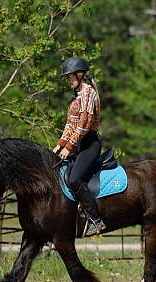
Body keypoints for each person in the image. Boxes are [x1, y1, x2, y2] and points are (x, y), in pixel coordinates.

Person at [53, 56, 106, 236]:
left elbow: (84, 124)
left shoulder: (89, 93)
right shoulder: (76, 97)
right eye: (67, 77)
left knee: (74, 179)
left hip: (90, 144)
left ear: (80, 74)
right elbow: (70, 125)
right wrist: (59, 146)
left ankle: (95, 220)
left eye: (70, 76)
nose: (68, 80)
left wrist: (69, 147)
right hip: (77, 145)